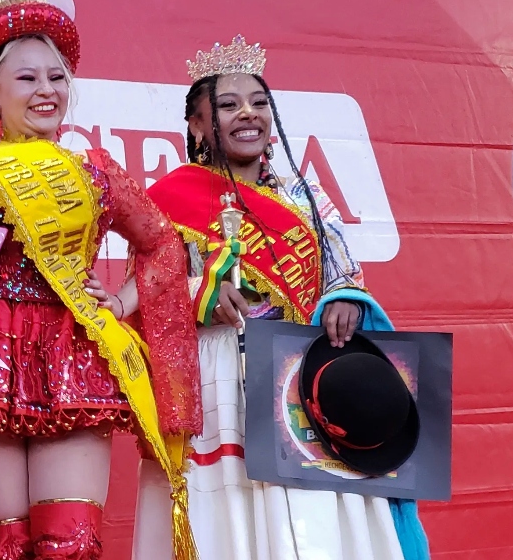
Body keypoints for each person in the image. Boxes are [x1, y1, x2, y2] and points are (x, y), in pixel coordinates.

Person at [0, 0, 202, 559]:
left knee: (67, 546)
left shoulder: (94, 170)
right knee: (8, 550)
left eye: (57, 77)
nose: (47, 90)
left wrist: (121, 304)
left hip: (73, 354)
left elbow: (165, 245)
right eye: (27, 78)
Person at [88, 35, 429, 560]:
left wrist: (344, 298)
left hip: (299, 369)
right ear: (199, 125)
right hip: (218, 375)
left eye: (259, 103)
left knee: (316, 516)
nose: (248, 113)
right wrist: (203, 291)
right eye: (228, 105)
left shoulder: (303, 195)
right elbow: (151, 288)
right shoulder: (172, 196)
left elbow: (341, 267)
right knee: (232, 513)